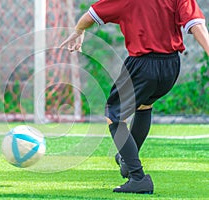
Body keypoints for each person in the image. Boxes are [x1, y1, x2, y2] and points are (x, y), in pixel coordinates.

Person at [60, 0, 209, 194]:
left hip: (143, 65)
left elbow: (90, 15)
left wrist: (79, 31)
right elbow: (197, 24)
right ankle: (127, 160)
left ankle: (138, 178)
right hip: (171, 66)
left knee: (113, 115)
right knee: (144, 106)